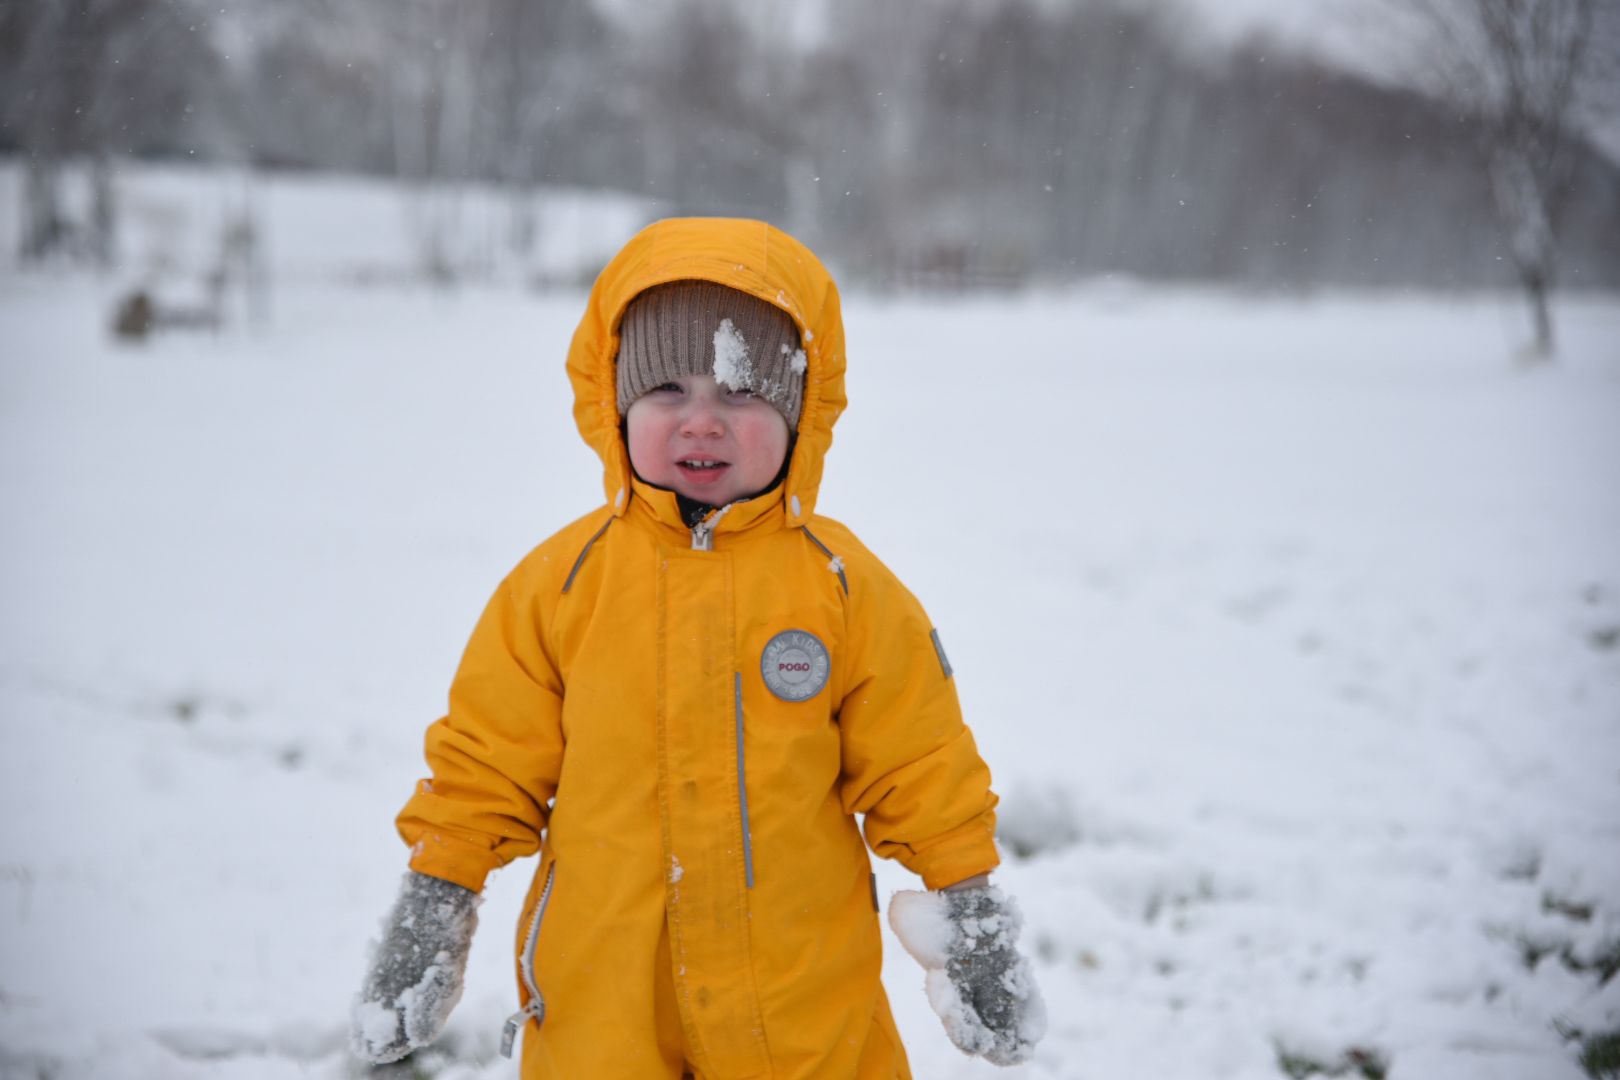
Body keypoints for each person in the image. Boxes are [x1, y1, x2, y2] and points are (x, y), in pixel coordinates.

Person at [350, 218, 1043, 1078]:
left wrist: (971, 916)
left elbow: (921, 764)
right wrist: (433, 908)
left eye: (743, 393)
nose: (702, 424)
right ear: (615, 404)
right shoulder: (564, 584)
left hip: (800, 1008)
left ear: (801, 410)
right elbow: (485, 768)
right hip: (605, 1005)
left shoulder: (844, 588)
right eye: (668, 390)